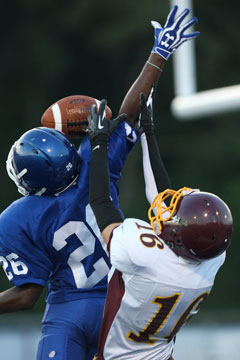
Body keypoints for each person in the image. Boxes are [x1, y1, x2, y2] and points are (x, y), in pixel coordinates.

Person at [0, 5, 199, 360]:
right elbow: (130, 112)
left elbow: (26, 295)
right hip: (121, 302)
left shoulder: (17, 217)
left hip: (67, 312)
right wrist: (160, 53)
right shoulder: (94, 165)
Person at [86, 92, 233, 360]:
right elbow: (162, 200)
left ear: (177, 234)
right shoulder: (211, 257)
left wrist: (98, 145)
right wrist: (148, 132)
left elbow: (102, 203)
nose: (173, 204)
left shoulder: (142, 255)